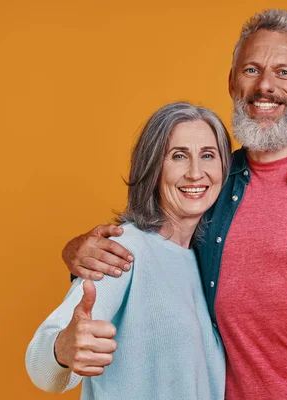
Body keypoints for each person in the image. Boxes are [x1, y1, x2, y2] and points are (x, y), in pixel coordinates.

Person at [62, 9, 287, 399]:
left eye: (284, 72)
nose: (265, 85)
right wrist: (76, 250)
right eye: (251, 70)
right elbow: (147, 244)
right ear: (232, 81)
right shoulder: (207, 183)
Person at [25, 102, 233, 399]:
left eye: (208, 156)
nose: (196, 173)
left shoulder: (206, 260)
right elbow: (41, 363)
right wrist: (63, 350)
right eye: (178, 156)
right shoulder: (125, 249)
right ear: (152, 167)